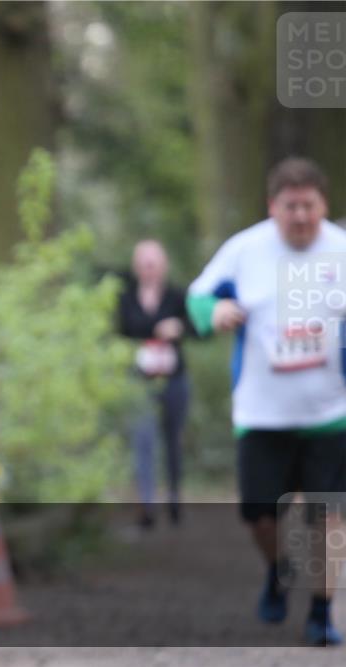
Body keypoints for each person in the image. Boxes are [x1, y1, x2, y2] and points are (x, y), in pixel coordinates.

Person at [187, 157, 346, 646]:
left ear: (324, 204)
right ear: (272, 207)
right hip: (261, 414)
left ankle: (322, 612)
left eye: (309, 206)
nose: (300, 216)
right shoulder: (246, 249)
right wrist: (215, 311)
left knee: (328, 516)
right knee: (259, 514)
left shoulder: (340, 249)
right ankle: (278, 570)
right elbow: (197, 297)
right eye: (290, 206)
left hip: (329, 414)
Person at [118, 240, 191, 528]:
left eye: (154, 262)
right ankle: (147, 505)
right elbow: (124, 328)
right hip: (140, 381)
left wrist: (178, 328)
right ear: (137, 267)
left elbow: (192, 326)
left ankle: (174, 499)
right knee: (143, 439)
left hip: (174, 378)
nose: (149, 268)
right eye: (144, 263)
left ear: (164, 265)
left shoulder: (176, 295)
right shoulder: (126, 297)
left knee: (173, 439)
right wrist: (157, 329)